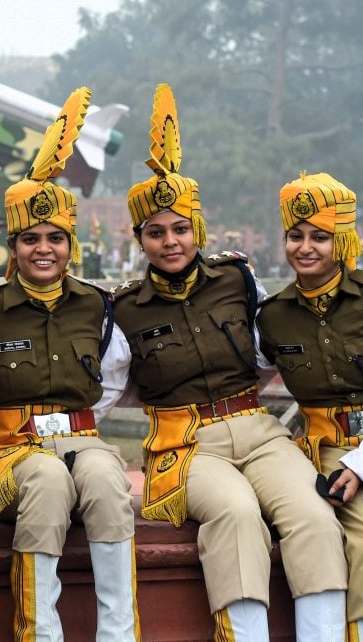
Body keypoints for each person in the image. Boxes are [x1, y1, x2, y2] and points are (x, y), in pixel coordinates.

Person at [111, 84, 348, 641]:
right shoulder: (122, 308)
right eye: (156, 232)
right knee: (238, 514)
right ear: (140, 238)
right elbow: (98, 389)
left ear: (198, 228)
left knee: (313, 515)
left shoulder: (236, 280)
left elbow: (274, 346)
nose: (171, 241)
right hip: (184, 444)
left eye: (180, 228)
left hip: (259, 430)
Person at [0, 87, 138, 641]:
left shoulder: (95, 303)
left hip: (83, 441)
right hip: (11, 451)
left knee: (108, 481)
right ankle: (40, 633)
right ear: (12, 246)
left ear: (70, 243)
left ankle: (118, 633)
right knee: (48, 480)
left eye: (55, 238)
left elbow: (109, 379)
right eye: (30, 238)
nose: (44, 249)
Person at [257, 172, 363, 642]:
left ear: (342, 241)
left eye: (320, 237)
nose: (306, 248)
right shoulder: (272, 316)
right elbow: (242, 375)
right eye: (295, 236)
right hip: (330, 449)